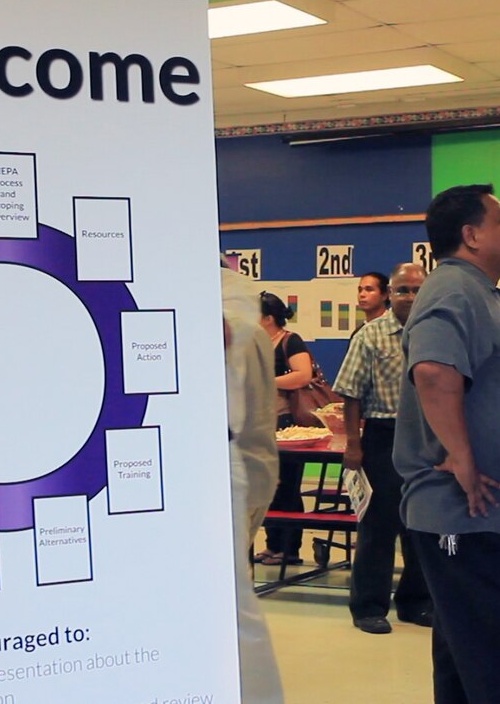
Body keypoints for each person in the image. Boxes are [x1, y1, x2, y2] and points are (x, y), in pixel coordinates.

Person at [393, 184, 500, 703]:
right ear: (471, 235)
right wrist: (462, 459)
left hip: (486, 518)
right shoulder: (454, 289)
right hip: (473, 515)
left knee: (472, 665)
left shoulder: (473, 290)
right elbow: (434, 371)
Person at [333, 263, 432, 635]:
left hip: (428, 437)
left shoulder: (436, 333)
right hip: (382, 436)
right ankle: (369, 606)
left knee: (422, 524)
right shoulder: (370, 336)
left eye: (417, 289)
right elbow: (351, 395)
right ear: (390, 294)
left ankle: (416, 602)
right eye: (403, 290)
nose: (410, 297)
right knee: (378, 527)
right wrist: (354, 446)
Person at [221, 265, 283, 704]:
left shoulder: (233, 325)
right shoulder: (248, 324)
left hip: (225, 472)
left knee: (230, 604)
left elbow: (254, 429)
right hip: (237, 473)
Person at [254, 292, 313, 566]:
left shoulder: (290, 340)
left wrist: (267, 379)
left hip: (285, 422)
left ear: (268, 318)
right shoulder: (255, 343)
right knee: (267, 487)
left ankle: (289, 549)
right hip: (261, 421)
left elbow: (303, 375)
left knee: (287, 486)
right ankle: (272, 543)